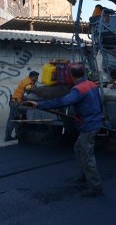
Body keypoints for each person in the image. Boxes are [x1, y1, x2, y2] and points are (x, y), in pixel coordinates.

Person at [24, 64, 104, 197]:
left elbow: (61, 102)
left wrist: (39, 104)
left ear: (72, 76)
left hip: (89, 126)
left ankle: (96, 187)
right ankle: (85, 176)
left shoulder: (78, 89)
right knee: (78, 148)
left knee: (86, 154)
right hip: (94, 122)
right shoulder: (92, 85)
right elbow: (99, 103)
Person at [5, 71, 39, 141]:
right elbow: (29, 93)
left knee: (16, 119)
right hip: (15, 103)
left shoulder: (28, 80)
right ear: (32, 77)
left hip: (15, 102)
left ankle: (16, 135)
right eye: (36, 77)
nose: (37, 79)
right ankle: (8, 137)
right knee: (13, 120)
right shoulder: (28, 82)